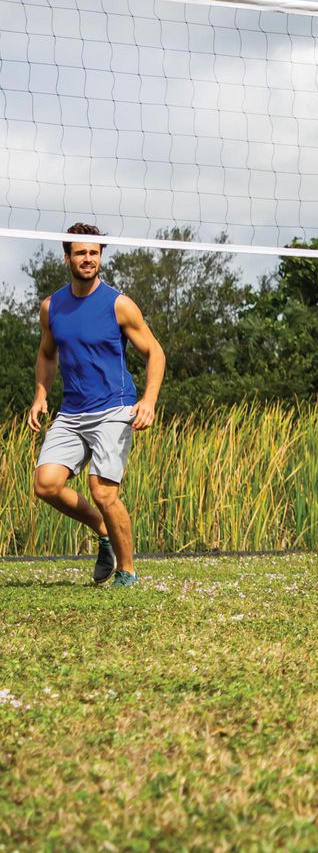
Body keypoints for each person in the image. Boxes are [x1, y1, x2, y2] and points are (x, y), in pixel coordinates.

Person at [28, 222, 166, 588]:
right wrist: (41, 394)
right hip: (72, 412)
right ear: (67, 258)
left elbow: (155, 352)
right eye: (80, 253)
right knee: (46, 484)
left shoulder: (118, 305)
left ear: (101, 255)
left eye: (94, 252)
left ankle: (128, 571)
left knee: (103, 491)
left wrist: (148, 401)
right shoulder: (51, 307)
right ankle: (102, 528)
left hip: (114, 408)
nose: (88, 259)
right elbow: (46, 354)